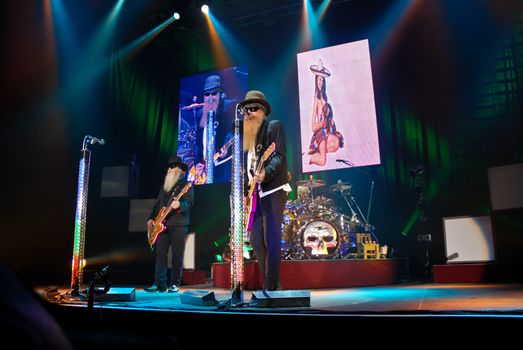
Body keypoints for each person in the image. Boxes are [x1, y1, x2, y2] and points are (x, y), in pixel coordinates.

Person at [240, 90, 291, 291]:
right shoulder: (249, 139)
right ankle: (270, 282)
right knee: (255, 240)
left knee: (271, 237)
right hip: (256, 195)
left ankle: (270, 286)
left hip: (273, 189)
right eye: (246, 109)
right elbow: (248, 170)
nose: (249, 112)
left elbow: (279, 156)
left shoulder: (273, 127)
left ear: (263, 110)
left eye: (254, 108)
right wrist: (246, 192)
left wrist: (266, 173)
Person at [145, 155, 194, 293]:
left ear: (179, 170)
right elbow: (157, 205)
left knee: (177, 255)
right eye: (169, 167)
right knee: (160, 254)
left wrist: (179, 204)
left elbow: (189, 202)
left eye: (173, 167)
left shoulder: (186, 185)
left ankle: (174, 284)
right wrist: (151, 218)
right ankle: (159, 284)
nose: (169, 170)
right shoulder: (164, 187)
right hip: (161, 225)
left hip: (178, 223)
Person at [190, 75, 235, 184]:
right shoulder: (200, 113)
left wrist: (226, 149)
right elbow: (198, 143)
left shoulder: (227, 108)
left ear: (220, 94)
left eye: (214, 94)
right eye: (207, 94)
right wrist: (197, 163)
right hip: (204, 169)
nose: (210, 98)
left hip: (221, 167)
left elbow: (231, 132)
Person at [308, 59, 344, 166]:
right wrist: (322, 124)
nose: (321, 82)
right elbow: (313, 127)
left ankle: (318, 151)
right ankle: (307, 158)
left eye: (322, 80)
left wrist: (328, 126)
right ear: (316, 80)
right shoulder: (316, 98)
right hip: (321, 133)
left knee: (336, 143)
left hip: (326, 132)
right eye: (319, 79)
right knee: (323, 161)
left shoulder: (324, 96)